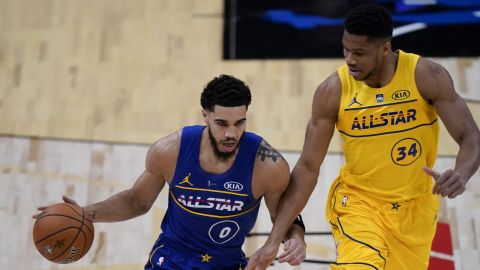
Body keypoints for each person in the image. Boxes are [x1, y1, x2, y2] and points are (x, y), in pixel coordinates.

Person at [246, 3, 480, 270]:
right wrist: (275, 239)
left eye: (359, 52)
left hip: (416, 209)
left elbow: (471, 136)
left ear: (384, 48)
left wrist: (462, 173)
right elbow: (308, 167)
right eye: (345, 49)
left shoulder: (425, 76)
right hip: (358, 203)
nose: (349, 59)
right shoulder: (333, 91)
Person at [33, 75, 306, 269]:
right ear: (205, 115)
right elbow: (137, 201)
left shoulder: (267, 164)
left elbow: (283, 213)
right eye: (222, 123)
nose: (231, 133)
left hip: (226, 262)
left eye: (240, 122)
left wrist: (295, 238)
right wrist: (85, 214)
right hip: (172, 260)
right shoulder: (170, 151)